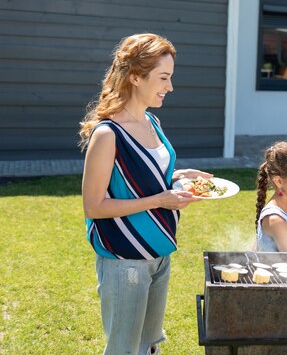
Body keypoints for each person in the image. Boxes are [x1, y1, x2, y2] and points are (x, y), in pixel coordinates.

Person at [79, 33, 212, 355]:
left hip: (159, 252)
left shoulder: (152, 122)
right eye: (163, 78)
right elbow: (94, 206)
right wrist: (159, 201)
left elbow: (145, 177)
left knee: (149, 344)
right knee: (125, 349)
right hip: (125, 261)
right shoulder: (108, 134)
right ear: (136, 77)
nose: (169, 87)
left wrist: (181, 177)